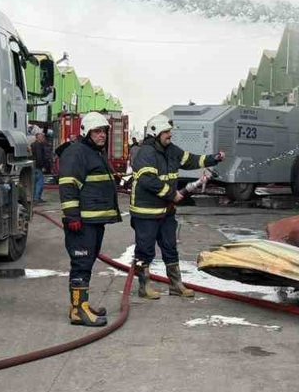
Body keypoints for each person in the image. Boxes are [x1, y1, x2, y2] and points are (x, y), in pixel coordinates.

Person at [129, 115, 224, 299]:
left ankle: (175, 285)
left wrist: (214, 159)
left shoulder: (171, 150)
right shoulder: (146, 153)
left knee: (170, 247)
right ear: (156, 133)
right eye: (166, 132)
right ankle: (144, 286)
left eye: (169, 131)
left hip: (166, 211)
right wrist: (172, 194)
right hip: (146, 213)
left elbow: (191, 160)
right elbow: (148, 180)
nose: (170, 135)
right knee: (144, 251)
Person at [57, 112, 121, 327]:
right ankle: (78, 310)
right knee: (81, 264)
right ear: (86, 132)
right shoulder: (76, 152)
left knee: (87, 262)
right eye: (97, 131)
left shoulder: (93, 152)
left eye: (104, 131)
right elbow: (68, 185)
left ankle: (81, 304)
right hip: (82, 222)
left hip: (93, 221)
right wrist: (72, 216)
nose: (102, 135)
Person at [30, 130, 52, 204]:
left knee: (35, 183)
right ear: (38, 138)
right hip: (38, 166)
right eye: (42, 137)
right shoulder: (39, 146)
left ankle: (34, 197)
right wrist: (42, 166)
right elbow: (39, 157)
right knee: (40, 182)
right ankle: (37, 198)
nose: (44, 138)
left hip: (33, 166)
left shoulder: (33, 145)